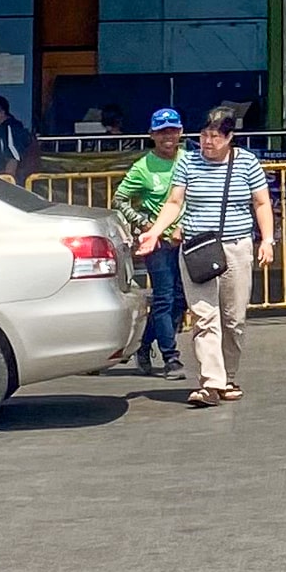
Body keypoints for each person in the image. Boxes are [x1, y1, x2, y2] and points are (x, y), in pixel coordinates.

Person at [136, 108, 274, 407]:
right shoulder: (188, 162)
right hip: (198, 248)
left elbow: (262, 203)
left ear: (229, 137)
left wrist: (267, 240)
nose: (207, 143)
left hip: (236, 247)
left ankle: (229, 376)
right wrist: (155, 232)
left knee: (233, 319)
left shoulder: (246, 163)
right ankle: (211, 382)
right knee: (203, 315)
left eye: (214, 137)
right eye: (203, 136)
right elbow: (175, 202)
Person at [112, 108, 188, 379]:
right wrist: (146, 226)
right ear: (152, 135)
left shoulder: (190, 160)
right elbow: (120, 199)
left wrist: (183, 225)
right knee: (164, 298)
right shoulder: (143, 167)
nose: (168, 136)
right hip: (158, 245)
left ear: (180, 132)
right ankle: (171, 358)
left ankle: (144, 342)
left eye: (173, 130)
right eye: (162, 131)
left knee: (181, 301)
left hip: (187, 240)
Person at [0, 95, 34, 182]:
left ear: (2, 112)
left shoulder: (11, 128)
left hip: (2, 180)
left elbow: (13, 157)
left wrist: (8, 181)